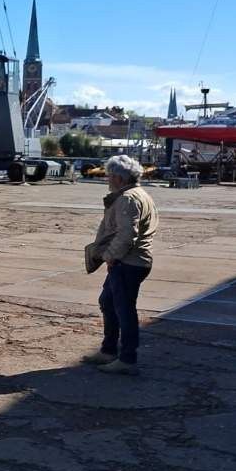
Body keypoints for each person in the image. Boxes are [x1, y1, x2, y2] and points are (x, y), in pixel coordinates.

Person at [84, 155, 157, 375]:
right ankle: (108, 350)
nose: (107, 179)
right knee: (108, 302)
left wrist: (110, 256)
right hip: (130, 261)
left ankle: (127, 359)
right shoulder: (138, 194)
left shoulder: (127, 198)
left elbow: (127, 235)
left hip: (129, 262)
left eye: (109, 175)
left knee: (124, 310)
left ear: (118, 177)